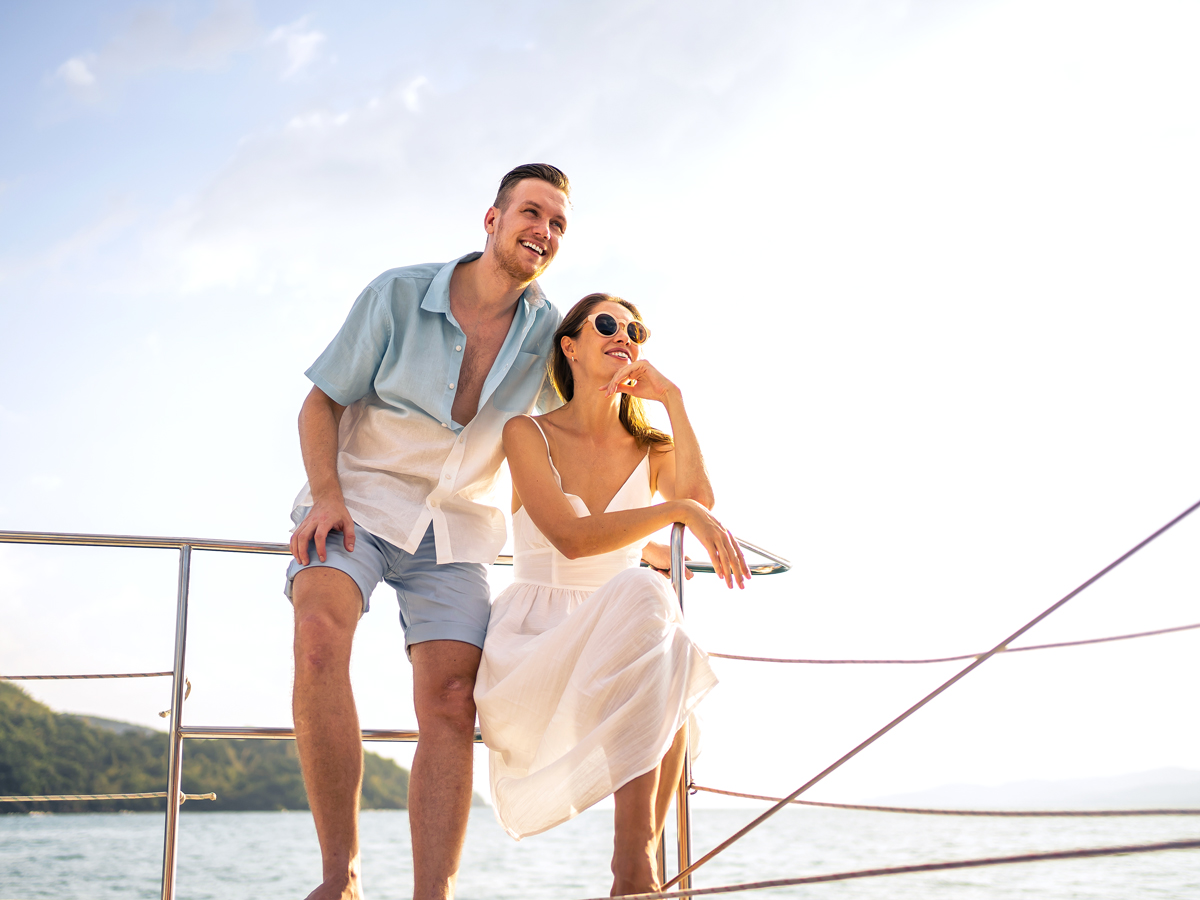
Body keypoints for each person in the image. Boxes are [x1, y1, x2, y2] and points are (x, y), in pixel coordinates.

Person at [285, 163, 570, 900]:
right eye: (532, 213)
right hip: (359, 503)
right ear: (493, 218)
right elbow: (319, 404)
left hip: (457, 528)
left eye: (558, 224)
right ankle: (338, 877)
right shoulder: (398, 294)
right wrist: (324, 496)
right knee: (319, 632)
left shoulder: (550, 335)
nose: (543, 231)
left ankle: (430, 896)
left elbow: (584, 431)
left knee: (451, 699)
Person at [474, 293, 751, 896]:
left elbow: (699, 498)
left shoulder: (650, 445)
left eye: (636, 329)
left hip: (627, 640)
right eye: (607, 324)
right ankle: (635, 867)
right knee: (649, 599)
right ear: (569, 346)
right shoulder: (528, 433)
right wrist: (672, 510)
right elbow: (572, 541)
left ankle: (635, 866)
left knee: (665, 637)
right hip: (538, 642)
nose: (624, 335)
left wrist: (672, 400)